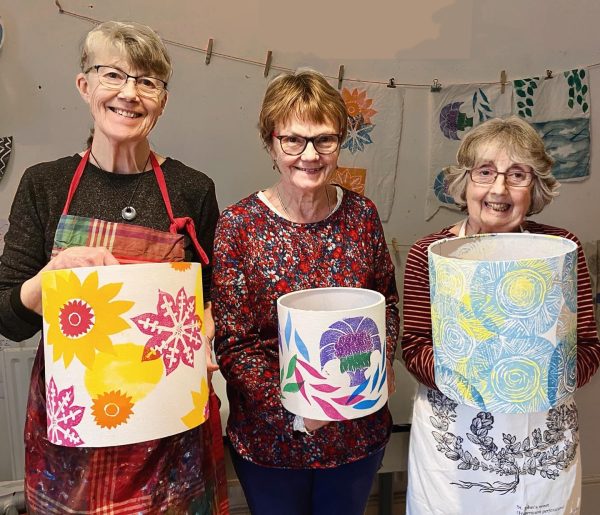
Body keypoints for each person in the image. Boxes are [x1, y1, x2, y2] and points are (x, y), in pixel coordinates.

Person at [0, 21, 228, 514]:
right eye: (113, 76)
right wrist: (49, 279)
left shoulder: (193, 189)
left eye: (147, 81)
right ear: (85, 86)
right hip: (75, 433)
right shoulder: (46, 185)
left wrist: (207, 334)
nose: (130, 94)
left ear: (163, 100)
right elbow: (6, 314)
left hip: (171, 424)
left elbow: (207, 299)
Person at [211, 69, 400, 515]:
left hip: (357, 431)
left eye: (324, 140)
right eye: (293, 140)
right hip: (271, 440)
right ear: (271, 143)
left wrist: (382, 362)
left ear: (341, 141)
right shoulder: (240, 226)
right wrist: (301, 407)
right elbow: (236, 343)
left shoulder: (362, 215)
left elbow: (385, 302)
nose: (309, 155)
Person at [401, 115, 600, 514]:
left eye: (518, 175)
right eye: (485, 172)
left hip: (541, 446)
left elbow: (590, 348)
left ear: (536, 187)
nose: (499, 188)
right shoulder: (429, 253)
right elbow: (415, 346)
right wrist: (476, 382)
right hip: (455, 448)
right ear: (465, 183)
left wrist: (545, 378)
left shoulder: (562, 249)